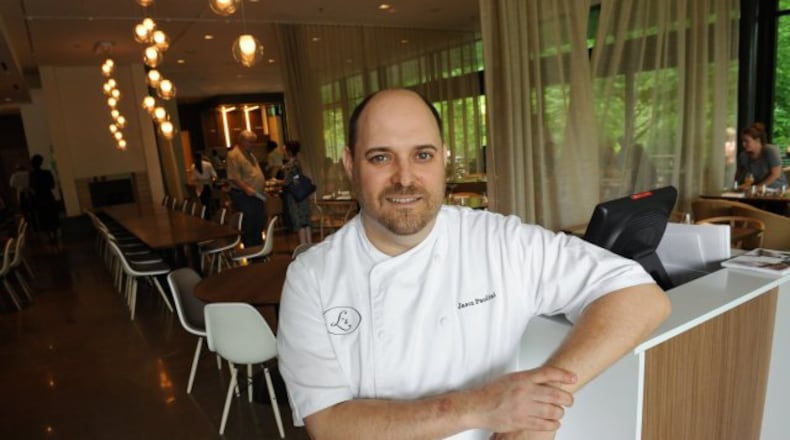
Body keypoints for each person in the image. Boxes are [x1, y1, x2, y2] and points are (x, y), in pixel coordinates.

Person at [276, 89, 671, 439]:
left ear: (444, 159)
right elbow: (328, 425)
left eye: (423, 155)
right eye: (380, 157)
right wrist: (481, 406)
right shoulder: (313, 277)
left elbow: (640, 296)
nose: (405, 178)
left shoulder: (501, 241)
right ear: (349, 163)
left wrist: (537, 409)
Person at [225, 130, 268, 247]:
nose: (253, 145)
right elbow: (234, 177)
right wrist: (246, 188)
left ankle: (259, 248)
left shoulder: (250, 154)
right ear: (242, 141)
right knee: (249, 223)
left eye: (254, 142)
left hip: (256, 195)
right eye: (250, 142)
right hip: (244, 195)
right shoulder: (233, 155)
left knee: (259, 222)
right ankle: (250, 249)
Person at [278, 141, 313, 245]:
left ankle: (303, 246)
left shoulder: (290, 165)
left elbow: (288, 181)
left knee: (299, 221)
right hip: (303, 195)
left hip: (295, 196)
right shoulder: (299, 162)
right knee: (306, 221)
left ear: (289, 151)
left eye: (284, 150)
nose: (283, 152)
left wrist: (277, 181)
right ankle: (309, 244)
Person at [735, 122, 788, 190]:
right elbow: (739, 174)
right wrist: (736, 187)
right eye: (742, 141)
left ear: (757, 140)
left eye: (746, 141)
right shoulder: (743, 155)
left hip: (775, 190)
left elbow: (776, 174)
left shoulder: (770, 150)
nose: (743, 144)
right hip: (755, 191)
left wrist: (757, 188)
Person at [28, 154, 59, 244]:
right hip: (48, 196)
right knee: (52, 215)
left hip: (39, 199)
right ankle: (55, 234)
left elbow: (32, 188)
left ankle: (49, 235)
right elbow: (52, 185)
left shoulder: (32, 175)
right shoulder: (47, 173)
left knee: (44, 217)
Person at [190, 151, 217, 217]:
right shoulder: (194, 167)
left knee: (205, 203)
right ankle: (207, 215)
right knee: (205, 203)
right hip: (202, 186)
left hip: (205, 186)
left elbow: (214, 175)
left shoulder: (206, 165)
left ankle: (207, 215)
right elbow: (193, 178)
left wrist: (211, 181)